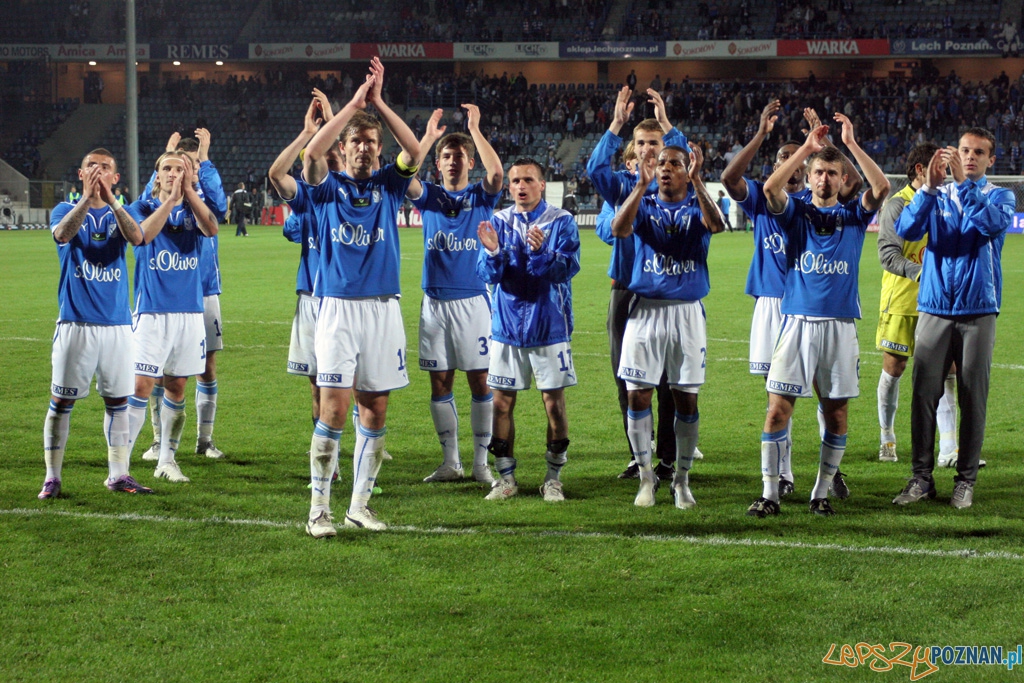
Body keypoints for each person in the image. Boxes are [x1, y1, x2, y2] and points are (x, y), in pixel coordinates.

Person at [747, 114, 889, 518]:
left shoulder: (853, 216)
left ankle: (821, 492)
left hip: (840, 326)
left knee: (836, 413)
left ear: (843, 179)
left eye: (832, 172)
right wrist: (806, 150)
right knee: (777, 410)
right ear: (808, 178)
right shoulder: (794, 213)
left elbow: (881, 187)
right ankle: (770, 493)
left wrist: (852, 144)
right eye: (818, 172)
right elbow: (772, 187)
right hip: (796, 324)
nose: (825, 179)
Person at [301, 58, 421, 537]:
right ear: (345, 148)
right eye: (357, 141)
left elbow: (415, 149)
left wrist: (379, 104)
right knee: (332, 409)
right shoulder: (327, 188)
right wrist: (352, 104)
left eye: (372, 142)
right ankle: (318, 510)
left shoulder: (389, 185)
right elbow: (311, 154)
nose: (365, 149)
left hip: (383, 309)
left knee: (375, 409)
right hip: (338, 309)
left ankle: (359, 505)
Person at [721, 100, 862, 502]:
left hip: (819, 304)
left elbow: (852, 183)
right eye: (783, 156)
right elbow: (733, 178)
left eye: (797, 157)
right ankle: (780, 477)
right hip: (775, 304)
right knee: (778, 398)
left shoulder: (814, 202)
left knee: (828, 398)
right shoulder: (770, 204)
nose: (791, 161)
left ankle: (828, 476)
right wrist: (766, 136)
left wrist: (825, 145)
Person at [892, 128, 1013, 509]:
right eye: (964, 150)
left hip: (978, 310)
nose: (970, 156)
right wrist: (928, 190)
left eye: (978, 152)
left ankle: (965, 480)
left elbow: (991, 226)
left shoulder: (1000, 195)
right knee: (923, 396)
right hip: (934, 307)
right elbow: (906, 229)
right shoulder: (936, 195)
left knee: (972, 398)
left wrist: (962, 184)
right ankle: (921, 479)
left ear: (991, 159)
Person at [587, 86, 699, 481]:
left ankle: (668, 459)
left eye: (656, 143)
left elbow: (689, 159)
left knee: (671, 381)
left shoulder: (674, 184)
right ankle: (639, 455)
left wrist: (669, 126)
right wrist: (616, 123)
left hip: (669, 291)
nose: (649, 150)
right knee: (627, 377)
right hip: (626, 290)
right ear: (631, 149)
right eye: (641, 143)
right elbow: (599, 191)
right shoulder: (622, 185)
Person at [612, 144, 725, 509]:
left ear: (687, 169)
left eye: (674, 164)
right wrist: (639, 186)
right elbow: (619, 227)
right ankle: (646, 479)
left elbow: (717, 225)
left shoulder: (698, 204)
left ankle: (681, 479)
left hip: (687, 313)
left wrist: (698, 181)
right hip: (645, 310)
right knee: (637, 395)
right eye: (661, 163)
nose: (665, 169)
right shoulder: (643, 203)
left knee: (686, 399)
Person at [39, 149, 155, 499]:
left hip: (118, 326)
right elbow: (62, 234)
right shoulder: (65, 210)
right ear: (80, 173)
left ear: (115, 178)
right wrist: (88, 200)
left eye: (105, 167)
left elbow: (137, 238)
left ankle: (119, 474)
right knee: (61, 402)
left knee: (119, 401)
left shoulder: (125, 214)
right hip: (76, 323)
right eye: (92, 166)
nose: (98, 171)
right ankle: (52, 477)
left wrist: (112, 203)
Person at [407, 104, 503, 484]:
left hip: (472, 300)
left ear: (469, 163)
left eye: (459, 156)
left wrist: (475, 130)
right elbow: (404, 176)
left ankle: (481, 464)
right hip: (433, 303)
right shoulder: (428, 196)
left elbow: (497, 173)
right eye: (446, 156)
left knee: (481, 382)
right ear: (438, 163)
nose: (452, 161)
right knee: (440, 382)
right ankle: (451, 462)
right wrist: (429, 138)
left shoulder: (481, 196)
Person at [476, 158, 581, 502]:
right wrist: (492, 253)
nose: (521, 186)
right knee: (501, 405)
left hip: (549, 326)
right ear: (509, 187)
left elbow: (567, 269)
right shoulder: (498, 221)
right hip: (506, 329)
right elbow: (487, 275)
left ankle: (554, 477)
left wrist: (542, 253)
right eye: (515, 181)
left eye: (528, 180)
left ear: (542, 184)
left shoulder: (561, 221)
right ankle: (506, 478)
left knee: (554, 405)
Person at [124, 152, 221, 485]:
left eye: (180, 169)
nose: (173, 173)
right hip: (152, 312)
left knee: (178, 387)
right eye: (167, 168)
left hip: (190, 314)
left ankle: (167, 460)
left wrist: (189, 194)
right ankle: (120, 464)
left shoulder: (194, 210)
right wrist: (170, 202)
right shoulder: (142, 208)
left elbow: (212, 228)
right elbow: (141, 236)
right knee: (141, 385)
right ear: (156, 176)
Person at [139, 131, 228, 463]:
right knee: (160, 369)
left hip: (204, 290)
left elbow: (220, 208)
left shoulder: (202, 195)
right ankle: (157, 440)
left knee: (207, 367)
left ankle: (205, 440)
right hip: (166, 296)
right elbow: (151, 194)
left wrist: (205, 160)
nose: (180, 172)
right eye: (175, 167)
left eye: (187, 166)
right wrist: (166, 156)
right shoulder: (158, 197)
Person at [875, 142, 960, 465]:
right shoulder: (898, 205)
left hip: (937, 305)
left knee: (948, 371)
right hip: (901, 302)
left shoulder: (946, 201)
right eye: (940, 168)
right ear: (921, 170)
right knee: (894, 369)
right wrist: (922, 273)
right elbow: (887, 254)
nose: (946, 175)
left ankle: (949, 448)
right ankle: (888, 438)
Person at [268, 89, 335, 432]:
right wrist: (306, 134)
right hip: (311, 296)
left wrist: (333, 120)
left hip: (346, 298)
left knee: (349, 379)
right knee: (315, 381)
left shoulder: (353, 189)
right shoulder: (306, 196)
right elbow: (277, 174)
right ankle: (324, 454)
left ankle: (361, 441)